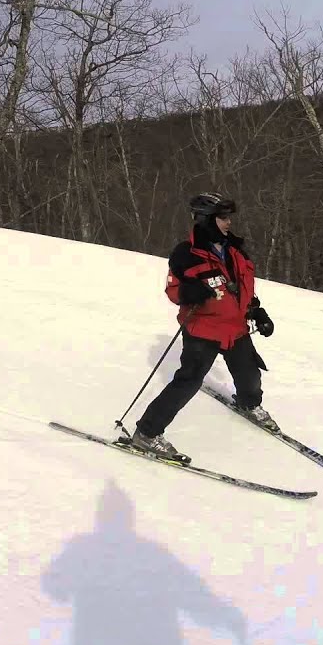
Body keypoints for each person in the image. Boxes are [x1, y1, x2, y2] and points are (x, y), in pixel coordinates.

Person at [132, 192, 278, 462]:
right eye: (222, 218)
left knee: (250, 376)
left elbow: (243, 288)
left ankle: (249, 405)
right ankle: (147, 433)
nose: (228, 223)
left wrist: (257, 311)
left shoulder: (234, 250)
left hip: (235, 327)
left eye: (228, 217)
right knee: (188, 381)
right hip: (203, 329)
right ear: (206, 220)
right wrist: (190, 293)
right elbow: (173, 290)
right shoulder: (186, 254)